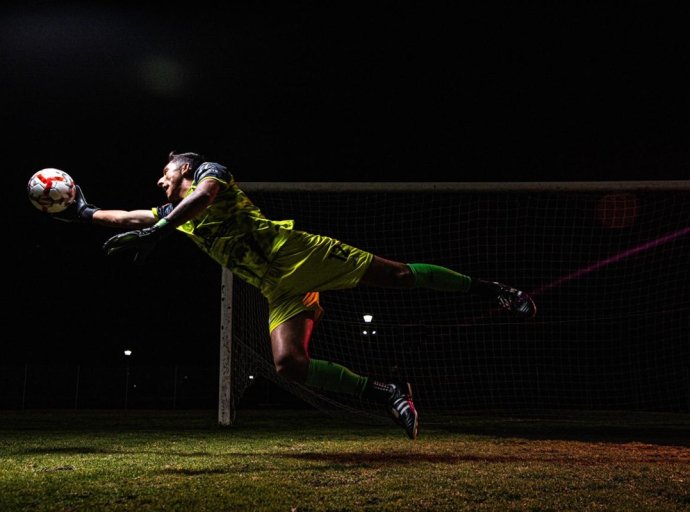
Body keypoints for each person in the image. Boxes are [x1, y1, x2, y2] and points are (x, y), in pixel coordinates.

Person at [54, 151, 537, 440]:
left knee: (399, 278)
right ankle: (389, 393)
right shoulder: (173, 214)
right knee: (289, 366)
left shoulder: (209, 176)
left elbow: (199, 200)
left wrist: (159, 229)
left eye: (165, 173)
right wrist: (81, 210)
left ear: (183, 167)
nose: (160, 181)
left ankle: (497, 291)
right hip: (277, 286)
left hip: (300, 254)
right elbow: (125, 217)